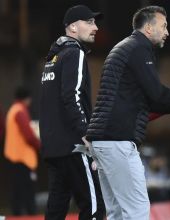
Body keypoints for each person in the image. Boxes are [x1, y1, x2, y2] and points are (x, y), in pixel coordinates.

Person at [86, 6, 170, 220]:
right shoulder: (138, 48)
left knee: (117, 213)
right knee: (137, 212)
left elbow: (146, 102)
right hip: (117, 140)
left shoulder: (123, 47)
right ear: (148, 28)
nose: (167, 32)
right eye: (163, 26)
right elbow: (157, 96)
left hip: (102, 141)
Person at [39, 5, 105, 220]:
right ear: (73, 27)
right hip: (75, 146)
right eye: (90, 22)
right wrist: (86, 132)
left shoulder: (52, 59)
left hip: (54, 148)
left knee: (56, 210)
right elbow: (72, 96)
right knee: (94, 207)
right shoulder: (74, 53)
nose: (95, 27)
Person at [4, 86, 40, 215]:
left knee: (17, 192)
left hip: (13, 156)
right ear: (27, 98)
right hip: (23, 158)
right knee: (27, 193)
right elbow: (29, 135)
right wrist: (40, 145)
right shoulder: (21, 111)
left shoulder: (12, 110)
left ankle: (17, 215)